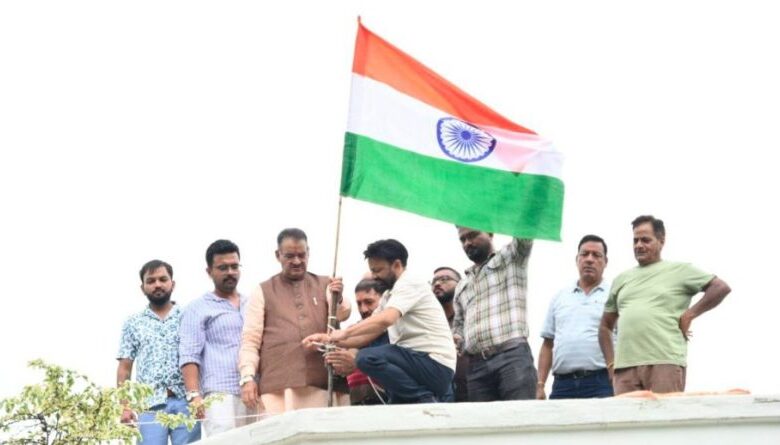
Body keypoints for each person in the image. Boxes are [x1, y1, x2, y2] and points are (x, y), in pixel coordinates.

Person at [303, 239, 456, 404]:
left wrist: (345, 333)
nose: (374, 276)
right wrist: (328, 339)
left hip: (435, 366)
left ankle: (423, 399)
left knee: (364, 357)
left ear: (396, 265)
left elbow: (386, 319)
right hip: (416, 366)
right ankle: (410, 398)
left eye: (377, 270)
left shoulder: (410, 283)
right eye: (372, 271)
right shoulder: (389, 295)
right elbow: (367, 334)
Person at [599, 215, 732, 395]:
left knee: (665, 413)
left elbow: (720, 288)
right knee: (625, 415)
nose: (639, 245)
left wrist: (690, 314)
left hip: (664, 362)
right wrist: (611, 364)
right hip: (625, 369)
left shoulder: (681, 270)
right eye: (635, 241)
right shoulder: (621, 279)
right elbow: (605, 326)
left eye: (645, 240)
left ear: (661, 241)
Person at [238, 228, 352, 414]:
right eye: (290, 256)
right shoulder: (262, 290)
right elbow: (250, 340)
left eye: (302, 255)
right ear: (278, 255)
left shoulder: (326, 284)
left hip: (325, 383)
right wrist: (247, 377)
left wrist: (337, 297)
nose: (297, 261)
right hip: (279, 389)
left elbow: (342, 314)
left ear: (309, 253)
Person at [117, 260, 201, 445]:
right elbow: (125, 368)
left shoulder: (188, 316)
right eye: (151, 281)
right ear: (143, 287)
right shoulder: (133, 323)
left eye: (163, 279)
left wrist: (197, 396)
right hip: (149, 406)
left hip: (186, 402)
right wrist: (125, 407)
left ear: (173, 283)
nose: (157, 284)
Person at [452, 227, 538, 401]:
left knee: (519, 415)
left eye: (473, 235)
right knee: (483, 419)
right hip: (476, 367)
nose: (467, 243)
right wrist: (457, 338)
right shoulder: (461, 285)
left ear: (490, 233)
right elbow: (459, 325)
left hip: (512, 357)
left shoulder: (512, 257)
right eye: (463, 239)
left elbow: (526, 229)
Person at [179, 239, 255, 437]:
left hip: (253, 390)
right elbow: (189, 355)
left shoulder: (252, 304)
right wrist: (194, 395)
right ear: (209, 271)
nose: (230, 272)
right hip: (220, 395)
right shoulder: (198, 308)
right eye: (223, 268)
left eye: (234, 266)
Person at [537, 235, 613, 400]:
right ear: (577, 259)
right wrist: (540, 384)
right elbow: (548, 344)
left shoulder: (614, 295)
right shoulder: (560, 297)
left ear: (605, 262)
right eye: (584, 254)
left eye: (596, 255)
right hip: (562, 385)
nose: (589, 259)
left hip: (601, 382)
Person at [325, 278, 389, 405]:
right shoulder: (352, 330)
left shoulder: (394, 332)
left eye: (369, 302)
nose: (363, 309)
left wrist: (356, 361)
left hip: (388, 403)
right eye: (359, 304)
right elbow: (351, 350)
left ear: (385, 301)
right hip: (356, 404)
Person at [431, 266, 469, 402]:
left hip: (472, 389)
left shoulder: (470, 317)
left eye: (445, 279)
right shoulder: (430, 322)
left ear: (460, 285)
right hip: (440, 394)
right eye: (434, 281)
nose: (437, 284)